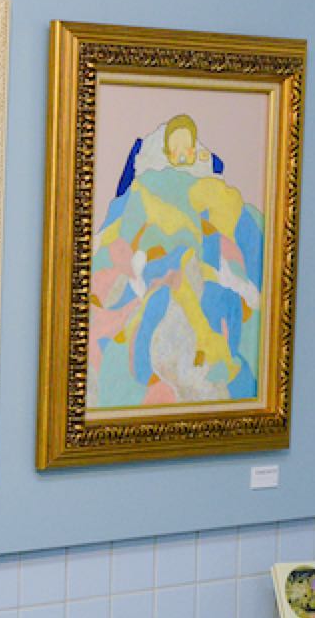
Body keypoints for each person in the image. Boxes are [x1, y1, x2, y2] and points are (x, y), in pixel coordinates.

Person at [88, 114, 264, 407]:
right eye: (176, 148)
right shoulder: (148, 183)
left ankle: (223, 356)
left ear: (195, 150)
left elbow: (231, 218)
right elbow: (124, 226)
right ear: (166, 151)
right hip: (161, 258)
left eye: (187, 147)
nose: (182, 154)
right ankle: (146, 361)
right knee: (162, 296)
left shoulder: (206, 185)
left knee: (223, 299)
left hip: (194, 259)